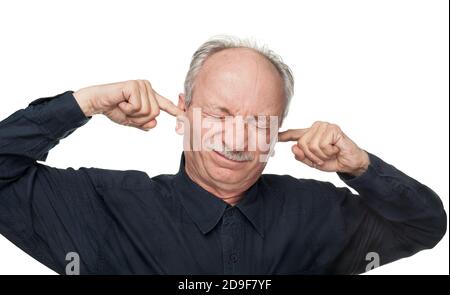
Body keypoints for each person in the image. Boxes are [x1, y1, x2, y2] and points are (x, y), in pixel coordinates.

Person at [0, 36, 446, 274]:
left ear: (278, 132)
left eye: (258, 121)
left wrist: (360, 166)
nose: (237, 138)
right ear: (183, 112)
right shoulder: (100, 206)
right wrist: (86, 103)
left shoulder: (321, 213)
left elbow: (424, 225)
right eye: (219, 113)